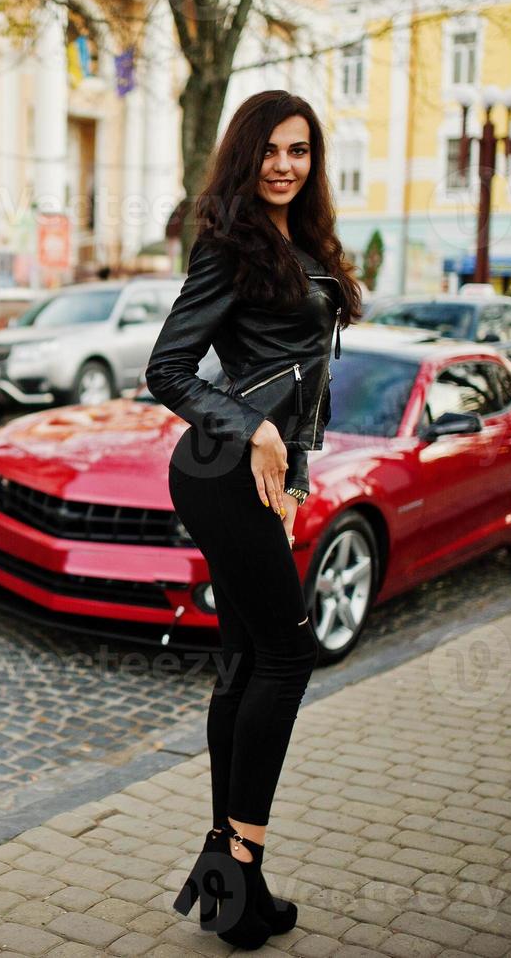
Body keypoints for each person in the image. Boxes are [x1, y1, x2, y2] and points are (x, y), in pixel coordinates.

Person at [145, 90, 361, 950]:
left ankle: (235, 887)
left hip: (259, 476)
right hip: (221, 468)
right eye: (269, 149)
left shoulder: (301, 243)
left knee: (243, 660)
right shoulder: (227, 244)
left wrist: (294, 472)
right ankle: (238, 862)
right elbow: (168, 369)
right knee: (288, 654)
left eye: (299, 150)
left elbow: (302, 377)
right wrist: (258, 430)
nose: (284, 164)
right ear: (244, 155)